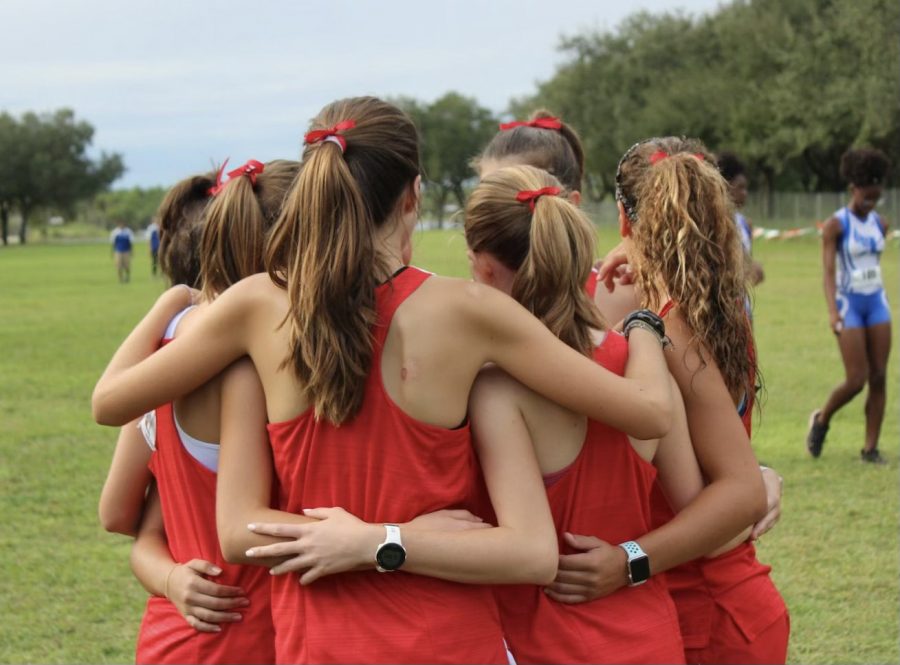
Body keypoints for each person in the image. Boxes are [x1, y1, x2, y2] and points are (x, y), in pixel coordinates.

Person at [92, 96, 675, 664]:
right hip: (446, 639)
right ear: (413, 195)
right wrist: (645, 323)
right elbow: (647, 416)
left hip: (316, 643)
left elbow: (116, 408)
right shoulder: (469, 310)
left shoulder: (256, 306)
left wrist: (171, 299)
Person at [597, 137, 789, 664]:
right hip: (716, 600)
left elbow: (741, 492)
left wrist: (627, 561)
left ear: (623, 218)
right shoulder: (712, 306)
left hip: (707, 610)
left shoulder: (674, 329)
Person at [98, 159, 299, 664]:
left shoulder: (164, 358)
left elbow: (125, 518)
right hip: (247, 637)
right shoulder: (249, 369)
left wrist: (169, 577)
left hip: (176, 637)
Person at [475, 109, 637, 325]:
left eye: (509, 198)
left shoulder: (618, 298)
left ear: (570, 203)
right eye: (486, 198)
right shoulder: (471, 303)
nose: (492, 215)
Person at [806, 147, 892, 464]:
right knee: (857, 379)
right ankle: (822, 419)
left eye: (875, 198)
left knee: (880, 376)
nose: (870, 203)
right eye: (865, 197)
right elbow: (828, 273)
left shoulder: (880, 224)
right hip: (848, 305)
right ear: (853, 188)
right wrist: (833, 311)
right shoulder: (836, 226)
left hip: (877, 303)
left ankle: (870, 449)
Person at [718, 151, 764, 287]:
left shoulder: (745, 224)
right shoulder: (716, 223)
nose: (745, 193)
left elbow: (747, 262)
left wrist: (753, 269)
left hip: (741, 301)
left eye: (746, 188)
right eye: (740, 187)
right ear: (725, 186)